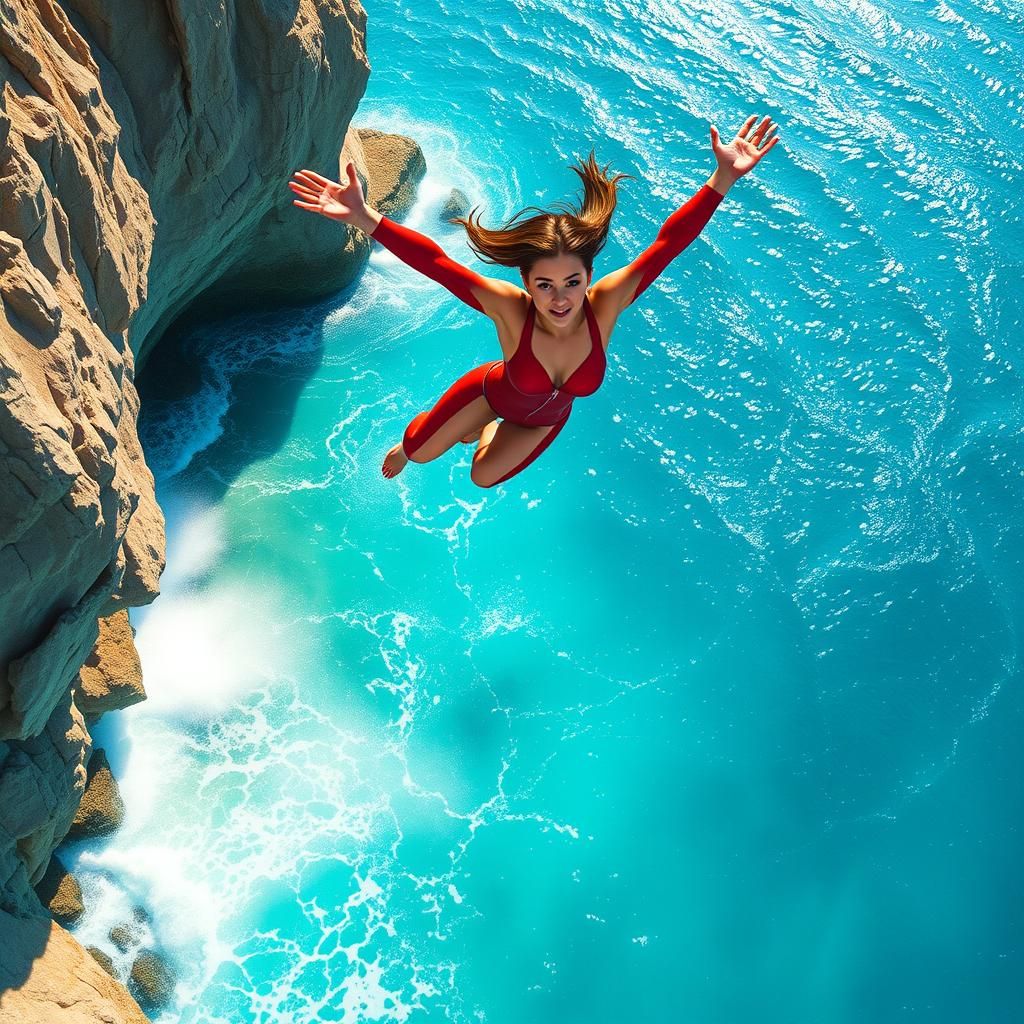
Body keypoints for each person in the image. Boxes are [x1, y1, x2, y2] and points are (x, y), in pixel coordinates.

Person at [289, 114, 779, 487]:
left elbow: (666, 245)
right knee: (414, 454)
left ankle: (482, 433)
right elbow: (438, 264)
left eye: (572, 281)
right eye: (545, 285)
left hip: (543, 418)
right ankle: (457, 427)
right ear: (526, 281)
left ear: (589, 276)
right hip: (491, 393)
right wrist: (367, 219)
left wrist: (722, 180)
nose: (560, 297)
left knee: (482, 476)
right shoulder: (510, 308)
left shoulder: (606, 303)